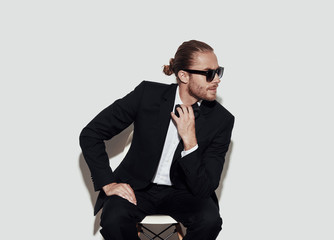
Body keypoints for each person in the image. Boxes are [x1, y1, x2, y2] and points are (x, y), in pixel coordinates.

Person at [79, 39, 234, 240]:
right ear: (183, 75)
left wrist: (190, 142)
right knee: (113, 219)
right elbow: (91, 133)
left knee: (210, 221)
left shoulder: (221, 120)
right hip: (137, 187)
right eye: (209, 74)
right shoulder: (147, 95)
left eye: (218, 71)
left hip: (185, 192)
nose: (217, 80)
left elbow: (206, 186)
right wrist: (108, 183)